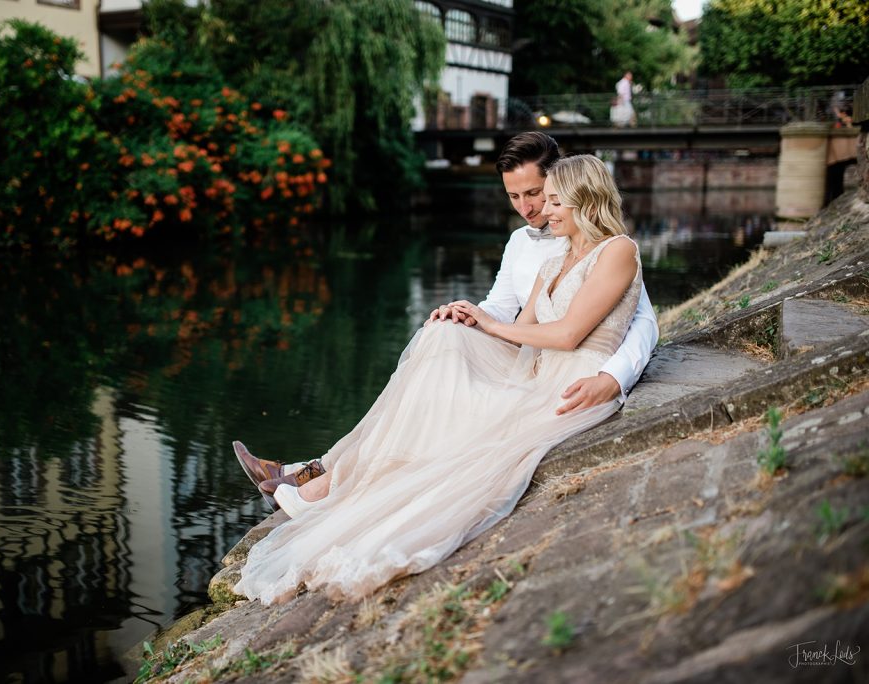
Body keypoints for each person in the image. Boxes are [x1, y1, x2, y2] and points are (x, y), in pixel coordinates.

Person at [234, 154, 648, 605]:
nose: (542, 211)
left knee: (454, 409)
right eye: (531, 198)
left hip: (569, 382)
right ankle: (321, 475)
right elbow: (520, 326)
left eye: (551, 201)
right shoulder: (554, 260)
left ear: (582, 199)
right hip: (533, 366)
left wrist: (493, 329)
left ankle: (318, 481)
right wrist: (467, 319)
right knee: (441, 337)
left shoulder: (618, 250)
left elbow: (568, 335)